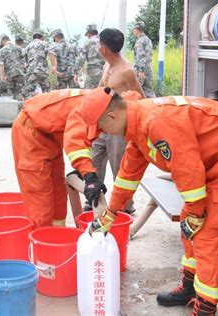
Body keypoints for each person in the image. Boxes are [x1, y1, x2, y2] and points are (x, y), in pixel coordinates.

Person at [83, 94, 218, 315]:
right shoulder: (138, 125)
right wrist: (110, 214)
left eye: (102, 128)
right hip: (209, 166)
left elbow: (187, 167)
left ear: (112, 116)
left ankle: (205, 308)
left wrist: (197, 213)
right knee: (189, 225)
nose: (104, 134)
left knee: (211, 236)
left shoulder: (157, 121)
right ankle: (189, 288)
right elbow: (128, 174)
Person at [12, 87, 141, 228]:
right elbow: (75, 143)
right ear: (114, 113)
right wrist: (90, 177)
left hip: (51, 136)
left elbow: (85, 139)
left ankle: (58, 237)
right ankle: (42, 242)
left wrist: (82, 171)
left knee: (58, 196)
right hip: (30, 134)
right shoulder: (87, 108)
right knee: (40, 200)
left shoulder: (103, 106)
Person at [89, 28, 145, 214]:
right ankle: (93, 200)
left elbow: (140, 97)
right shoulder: (107, 65)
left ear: (104, 48)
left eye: (98, 44)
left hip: (118, 127)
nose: (97, 46)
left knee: (119, 167)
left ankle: (125, 206)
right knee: (93, 162)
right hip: (100, 123)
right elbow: (100, 90)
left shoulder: (126, 70)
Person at [73, 24, 105, 88]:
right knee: (103, 93)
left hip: (92, 73)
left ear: (89, 34)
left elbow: (80, 59)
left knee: (89, 94)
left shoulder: (87, 43)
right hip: (105, 71)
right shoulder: (104, 41)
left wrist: (75, 72)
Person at [0, 34, 26, 101]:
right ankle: (20, 110)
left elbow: (1, 64)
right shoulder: (19, 48)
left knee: (10, 96)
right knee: (19, 93)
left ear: (2, 41)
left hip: (9, 74)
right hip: (20, 73)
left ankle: (12, 110)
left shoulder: (2, 50)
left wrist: (2, 76)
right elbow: (24, 62)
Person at [23, 32, 50, 98]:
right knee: (47, 92)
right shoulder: (45, 44)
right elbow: (50, 53)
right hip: (43, 71)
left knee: (28, 92)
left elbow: (25, 61)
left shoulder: (28, 47)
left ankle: (29, 106)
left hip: (32, 72)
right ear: (41, 38)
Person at [132, 21, 156, 98]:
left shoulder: (139, 42)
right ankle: (156, 106)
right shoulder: (148, 40)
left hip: (141, 70)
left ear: (137, 29)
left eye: (134, 29)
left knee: (138, 91)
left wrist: (141, 71)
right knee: (149, 90)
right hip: (149, 68)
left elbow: (141, 57)